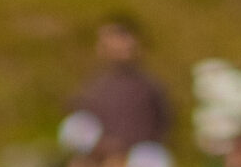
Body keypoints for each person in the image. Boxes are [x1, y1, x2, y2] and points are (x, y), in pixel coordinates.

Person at [72, 19, 172, 159]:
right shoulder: (95, 86)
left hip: (135, 160)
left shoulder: (148, 87)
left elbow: (161, 126)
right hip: (98, 159)